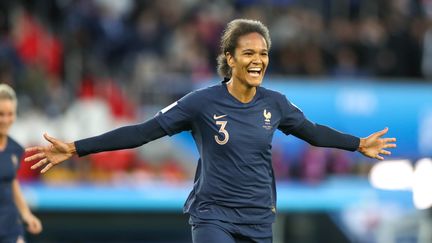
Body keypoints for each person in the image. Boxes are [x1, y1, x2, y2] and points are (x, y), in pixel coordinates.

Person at [25, 19, 396, 243]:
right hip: (213, 214)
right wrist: (76, 148)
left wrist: (358, 144)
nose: (258, 60)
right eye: (249, 53)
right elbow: (142, 132)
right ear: (230, 58)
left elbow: (313, 132)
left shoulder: (276, 104)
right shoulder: (200, 103)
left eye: (263, 53)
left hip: (258, 216)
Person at [0, 84, 42, 243]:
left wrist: (26, 215)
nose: (5, 119)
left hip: (10, 226)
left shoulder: (15, 149)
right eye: (1, 114)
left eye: (10, 114)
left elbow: (11, 181)